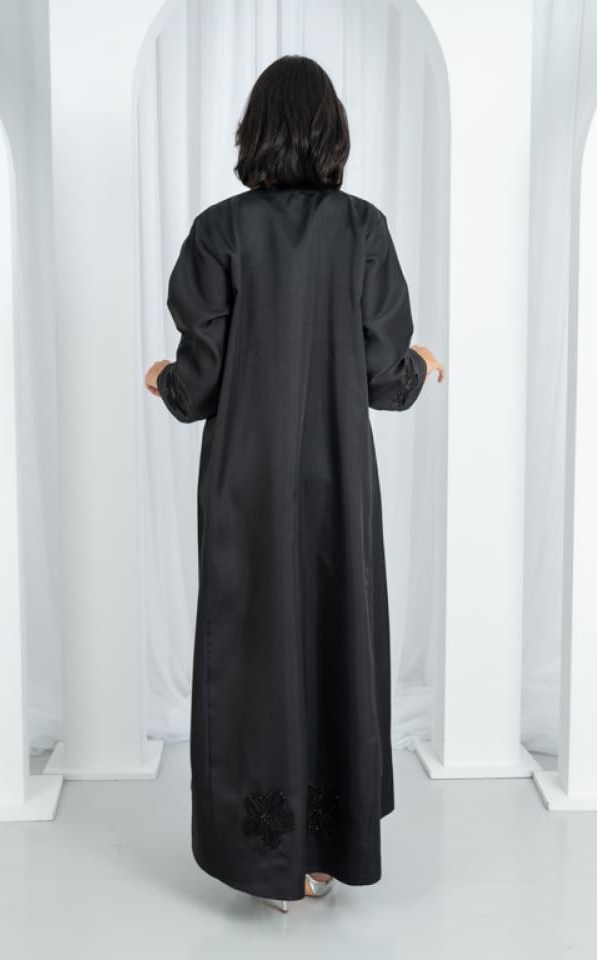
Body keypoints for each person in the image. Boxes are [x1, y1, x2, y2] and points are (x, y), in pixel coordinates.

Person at [144, 54, 444, 913]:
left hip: (245, 479)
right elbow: (385, 376)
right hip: (338, 481)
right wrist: (421, 364)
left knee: (252, 651)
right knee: (336, 636)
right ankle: (325, 852)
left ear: (254, 133)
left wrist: (163, 379)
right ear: (332, 132)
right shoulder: (363, 229)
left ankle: (266, 859)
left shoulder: (219, 231)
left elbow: (199, 384)